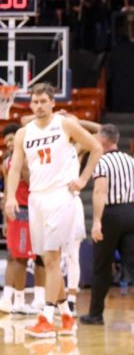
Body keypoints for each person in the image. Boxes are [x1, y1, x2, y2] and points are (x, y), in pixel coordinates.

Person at [4, 83, 102, 338]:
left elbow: (96, 146)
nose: (38, 106)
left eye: (42, 101)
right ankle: (67, 317)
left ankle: (46, 318)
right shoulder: (25, 133)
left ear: (52, 103)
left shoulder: (65, 125)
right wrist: (11, 197)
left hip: (61, 195)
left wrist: (82, 180)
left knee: (52, 256)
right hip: (36, 198)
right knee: (47, 260)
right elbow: (15, 169)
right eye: (34, 102)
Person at [82, 124, 134, 325]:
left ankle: (95, 314)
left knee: (102, 266)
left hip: (110, 214)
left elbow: (100, 192)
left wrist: (97, 221)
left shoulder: (101, 161)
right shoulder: (131, 161)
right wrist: (130, 209)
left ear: (103, 140)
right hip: (131, 212)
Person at [0, 125, 35, 315]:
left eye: (12, 139)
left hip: (19, 211)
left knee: (15, 256)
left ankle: (9, 298)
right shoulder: (15, 161)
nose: (10, 144)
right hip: (21, 211)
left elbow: (7, 190)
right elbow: (30, 184)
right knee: (19, 258)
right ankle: (16, 300)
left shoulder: (8, 162)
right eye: (7, 142)